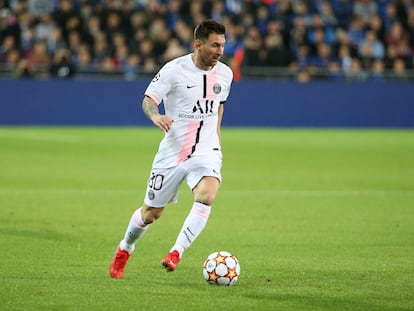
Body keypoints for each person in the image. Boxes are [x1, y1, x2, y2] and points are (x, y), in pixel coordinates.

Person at [109, 19, 233, 278]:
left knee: (207, 194)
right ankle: (125, 247)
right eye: (215, 45)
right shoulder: (174, 70)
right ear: (198, 44)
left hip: (206, 151)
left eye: (222, 45)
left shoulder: (225, 73)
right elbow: (148, 100)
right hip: (173, 151)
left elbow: (219, 105)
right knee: (151, 214)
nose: (220, 51)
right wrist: (155, 117)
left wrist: (216, 139)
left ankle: (176, 252)